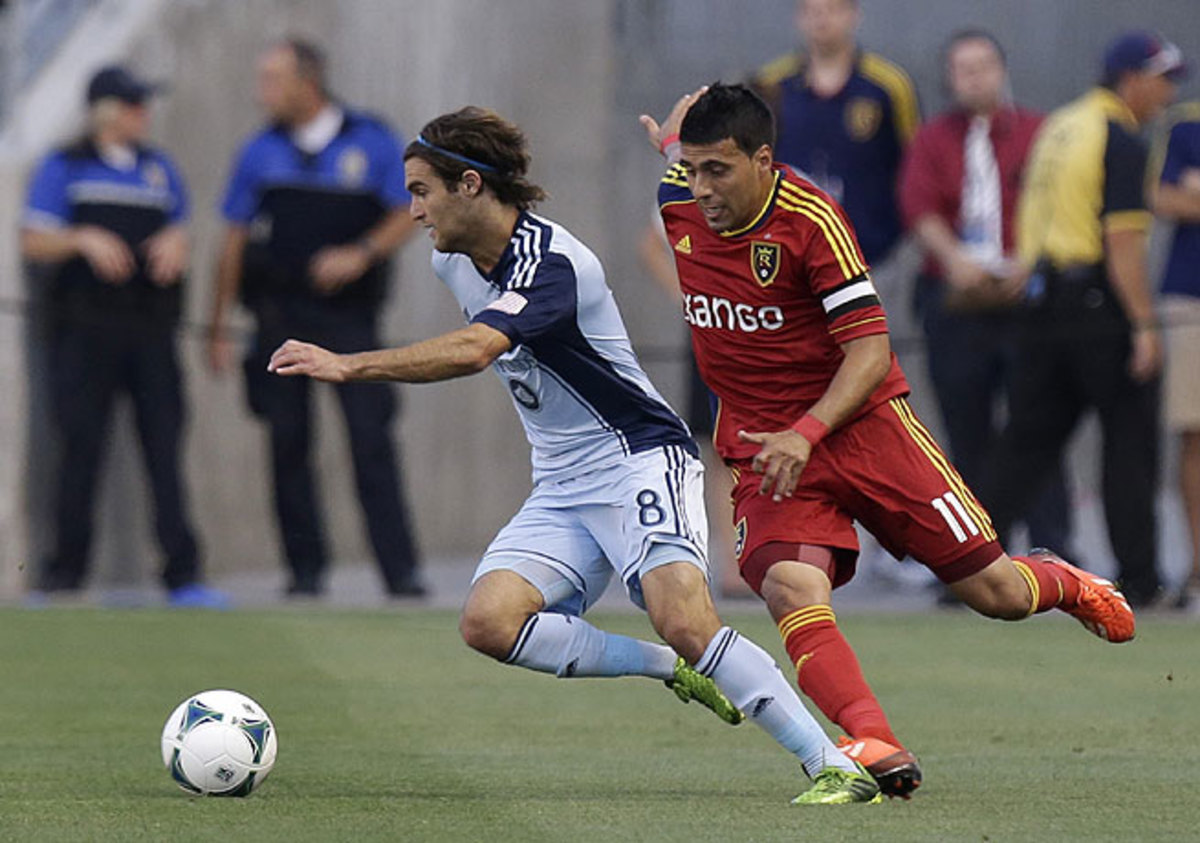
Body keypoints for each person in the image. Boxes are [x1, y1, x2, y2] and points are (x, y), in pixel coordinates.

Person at [268, 106, 882, 805]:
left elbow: (477, 349)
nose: (412, 211)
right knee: (489, 622)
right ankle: (671, 667)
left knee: (686, 618)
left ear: (470, 185)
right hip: (562, 482)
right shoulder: (451, 260)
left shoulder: (553, 263)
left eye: (421, 191)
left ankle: (832, 763)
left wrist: (349, 365)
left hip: (638, 457)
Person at [640, 82, 1136, 800]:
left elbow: (870, 351)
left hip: (866, 430)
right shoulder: (680, 198)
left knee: (994, 592)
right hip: (767, 448)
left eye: (718, 170)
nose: (702, 189)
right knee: (787, 584)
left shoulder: (812, 220)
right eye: (692, 170)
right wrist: (671, 146)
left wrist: (809, 431)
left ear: (764, 160)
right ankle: (874, 740)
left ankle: (1064, 580)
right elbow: (680, 165)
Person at [208, 38, 424, 598]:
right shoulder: (259, 151)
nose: (262, 92)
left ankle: (400, 572)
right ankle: (305, 571)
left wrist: (362, 253)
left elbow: (409, 210)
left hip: (350, 320)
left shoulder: (370, 139)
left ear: (307, 82)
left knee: (370, 439)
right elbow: (233, 239)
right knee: (287, 443)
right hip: (279, 316)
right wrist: (217, 326)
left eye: (272, 79)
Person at [981, 31, 1186, 609]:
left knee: (1025, 443)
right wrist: (1143, 325)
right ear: (1131, 79)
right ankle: (1141, 580)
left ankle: (965, 566)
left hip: (1044, 302)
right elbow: (1122, 242)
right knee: (1129, 442)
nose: (1168, 93)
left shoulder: (1060, 125)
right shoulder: (1119, 137)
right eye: (1162, 79)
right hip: (1099, 301)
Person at [20, 66, 224, 607]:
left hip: (150, 331)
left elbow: (181, 226)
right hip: (84, 333)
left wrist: (177, 242)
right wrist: (82, 239)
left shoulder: (159, 169)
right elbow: (33, 240)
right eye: (134, 106)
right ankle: (64, 577)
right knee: (79, 450)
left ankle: (183, 576)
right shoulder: (65, 166)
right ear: (107, 111)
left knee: (164, 450)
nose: (144, 115)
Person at [899, 30, 1072, 553]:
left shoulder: (1039, 132)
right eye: (963, 69)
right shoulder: (933, 138)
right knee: (966, 429)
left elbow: (1059, 202)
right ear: (950, 78)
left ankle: (1053, 550)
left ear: (1002, 69)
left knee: (1037, 422)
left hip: (1026, 296)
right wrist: (954, 260)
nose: (975, 78)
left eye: (984, 66)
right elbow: (918, 205)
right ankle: (979, 555)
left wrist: (1030, 259)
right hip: (956, 298)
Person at [750, 0, 919, 272]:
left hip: (874, 255)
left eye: (833, 9)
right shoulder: (772, 84)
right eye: (812, 10)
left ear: (854, 14)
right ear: (799, 17)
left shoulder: (889, 86)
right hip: (791, 256)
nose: (822, 19)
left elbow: (915, 165)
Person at [1150, 100, 1200, 606]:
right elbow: (1162, 197)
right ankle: (1198, 563)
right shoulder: (1187, 122)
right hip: (1191, 296)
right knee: (1194, 431)